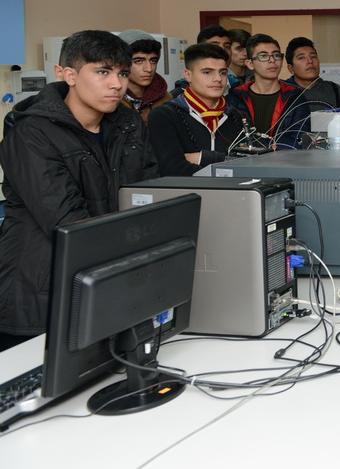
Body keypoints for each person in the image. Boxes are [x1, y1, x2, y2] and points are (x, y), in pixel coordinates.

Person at [0, 30, 158, 349]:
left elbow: (150, 196)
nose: (116, 84)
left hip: (108, 281)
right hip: (40, 293)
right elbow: (68, 222)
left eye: (122, 73)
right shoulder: (31, 133)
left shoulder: (127, 124)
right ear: (68, 75)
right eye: (102, 72)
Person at [148, 43, 247, 176]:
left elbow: (251, 162)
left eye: (223, 73)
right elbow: (172, 168)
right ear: (188, 75)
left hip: (233, 189)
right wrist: (226, 165)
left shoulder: (237, 116)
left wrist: (202, 158)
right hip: (185, 190)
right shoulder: (164, 115)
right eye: (207, 72)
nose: (218, 79)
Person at [227, 34, 310, 149]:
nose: (272, 60)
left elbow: (298, 140)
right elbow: (231, 139)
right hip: (243, 159)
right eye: (263, 56)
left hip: (286, 159)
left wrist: (257, 145)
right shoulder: (236, 96)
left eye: (276, 55)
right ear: (250, 64)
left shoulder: (295, 96)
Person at [285, 36, 340, 110]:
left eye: (313, 56)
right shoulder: (282, 92)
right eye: (301, 57)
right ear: (290, 68)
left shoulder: (336, 91)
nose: (310, 61)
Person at [119, 29, 170, 121]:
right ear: (121, 63)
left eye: (153, 61)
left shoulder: (166, 98)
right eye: (138, 61)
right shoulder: (111, 98)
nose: (149, 69)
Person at [172, 24, 234, 98]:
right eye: (207, 72)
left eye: (227, 47)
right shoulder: (175, 98)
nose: (222, 49)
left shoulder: (239, 90)